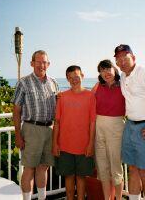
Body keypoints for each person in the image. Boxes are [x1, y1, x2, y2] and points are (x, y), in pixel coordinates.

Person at [114, 44, 145, 200]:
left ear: (133, 58)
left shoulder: (143, 71)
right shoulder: (123, 76)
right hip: (130, 125)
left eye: (125, 57)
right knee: (133, 169)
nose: (122, 61)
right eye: (118, 59)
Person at [12, 50, 59, 200]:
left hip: (49, 130)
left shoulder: (53, 83)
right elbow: (16, 110)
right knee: (29, 169)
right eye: (38, 62)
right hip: (31, 129)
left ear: (48, 64)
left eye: (44, 62)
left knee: (43, 168)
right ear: (32, 63)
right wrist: (18, 135)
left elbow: (59, 108)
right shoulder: (23, 82)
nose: (41, 65)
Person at [52, 65, 96, 200]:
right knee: (69, 177)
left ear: (82, 76)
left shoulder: (90, 96)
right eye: (70, 78)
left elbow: (92, 122)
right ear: (67, 79)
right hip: (65, 145)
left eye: (76, 77)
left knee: (81, 177)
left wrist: (91, 144)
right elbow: (57, 122)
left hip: (84, 146)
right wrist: (55, 144)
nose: (74, 80)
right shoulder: (62, 97)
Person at [92, 60, 125, 200]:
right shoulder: (98, 86)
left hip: (116, 126)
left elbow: (138, 96)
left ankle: (118, 198)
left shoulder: (123, 84)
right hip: (99, 127)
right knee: (102, 168)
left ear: (114, 69)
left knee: (116, 167)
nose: (106, 73)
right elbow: (86, 101)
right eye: (102, 70)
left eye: (108, 69)